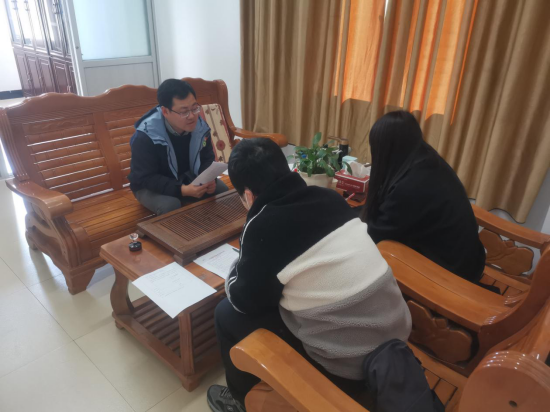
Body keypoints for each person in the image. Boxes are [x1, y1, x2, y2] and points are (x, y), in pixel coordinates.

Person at [207, 138, 412, 412]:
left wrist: (240, 261)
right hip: (397, 339)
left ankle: (240, 401)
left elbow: (244, 300)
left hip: (350, 368)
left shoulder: (263, 225)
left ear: (248, 195)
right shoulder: (329, 197)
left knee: (225, 313)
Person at [362, 111, 487, 286]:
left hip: (452, 273)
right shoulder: (425, 159)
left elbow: (377, 234)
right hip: (468, 259)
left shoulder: (412, 185)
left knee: (367, 256)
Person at [128, 79, 228, 215]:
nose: (192, 116)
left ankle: (214, 227)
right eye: (184, 112)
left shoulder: (200, 127)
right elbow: (146, 177)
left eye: (195, 108)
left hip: (186, 177)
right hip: (149, 186)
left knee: (221, 190)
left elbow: (206, 158)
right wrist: (182, 190)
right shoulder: (145, 136)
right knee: (170, 205)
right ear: (165, 111)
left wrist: (210, 180)